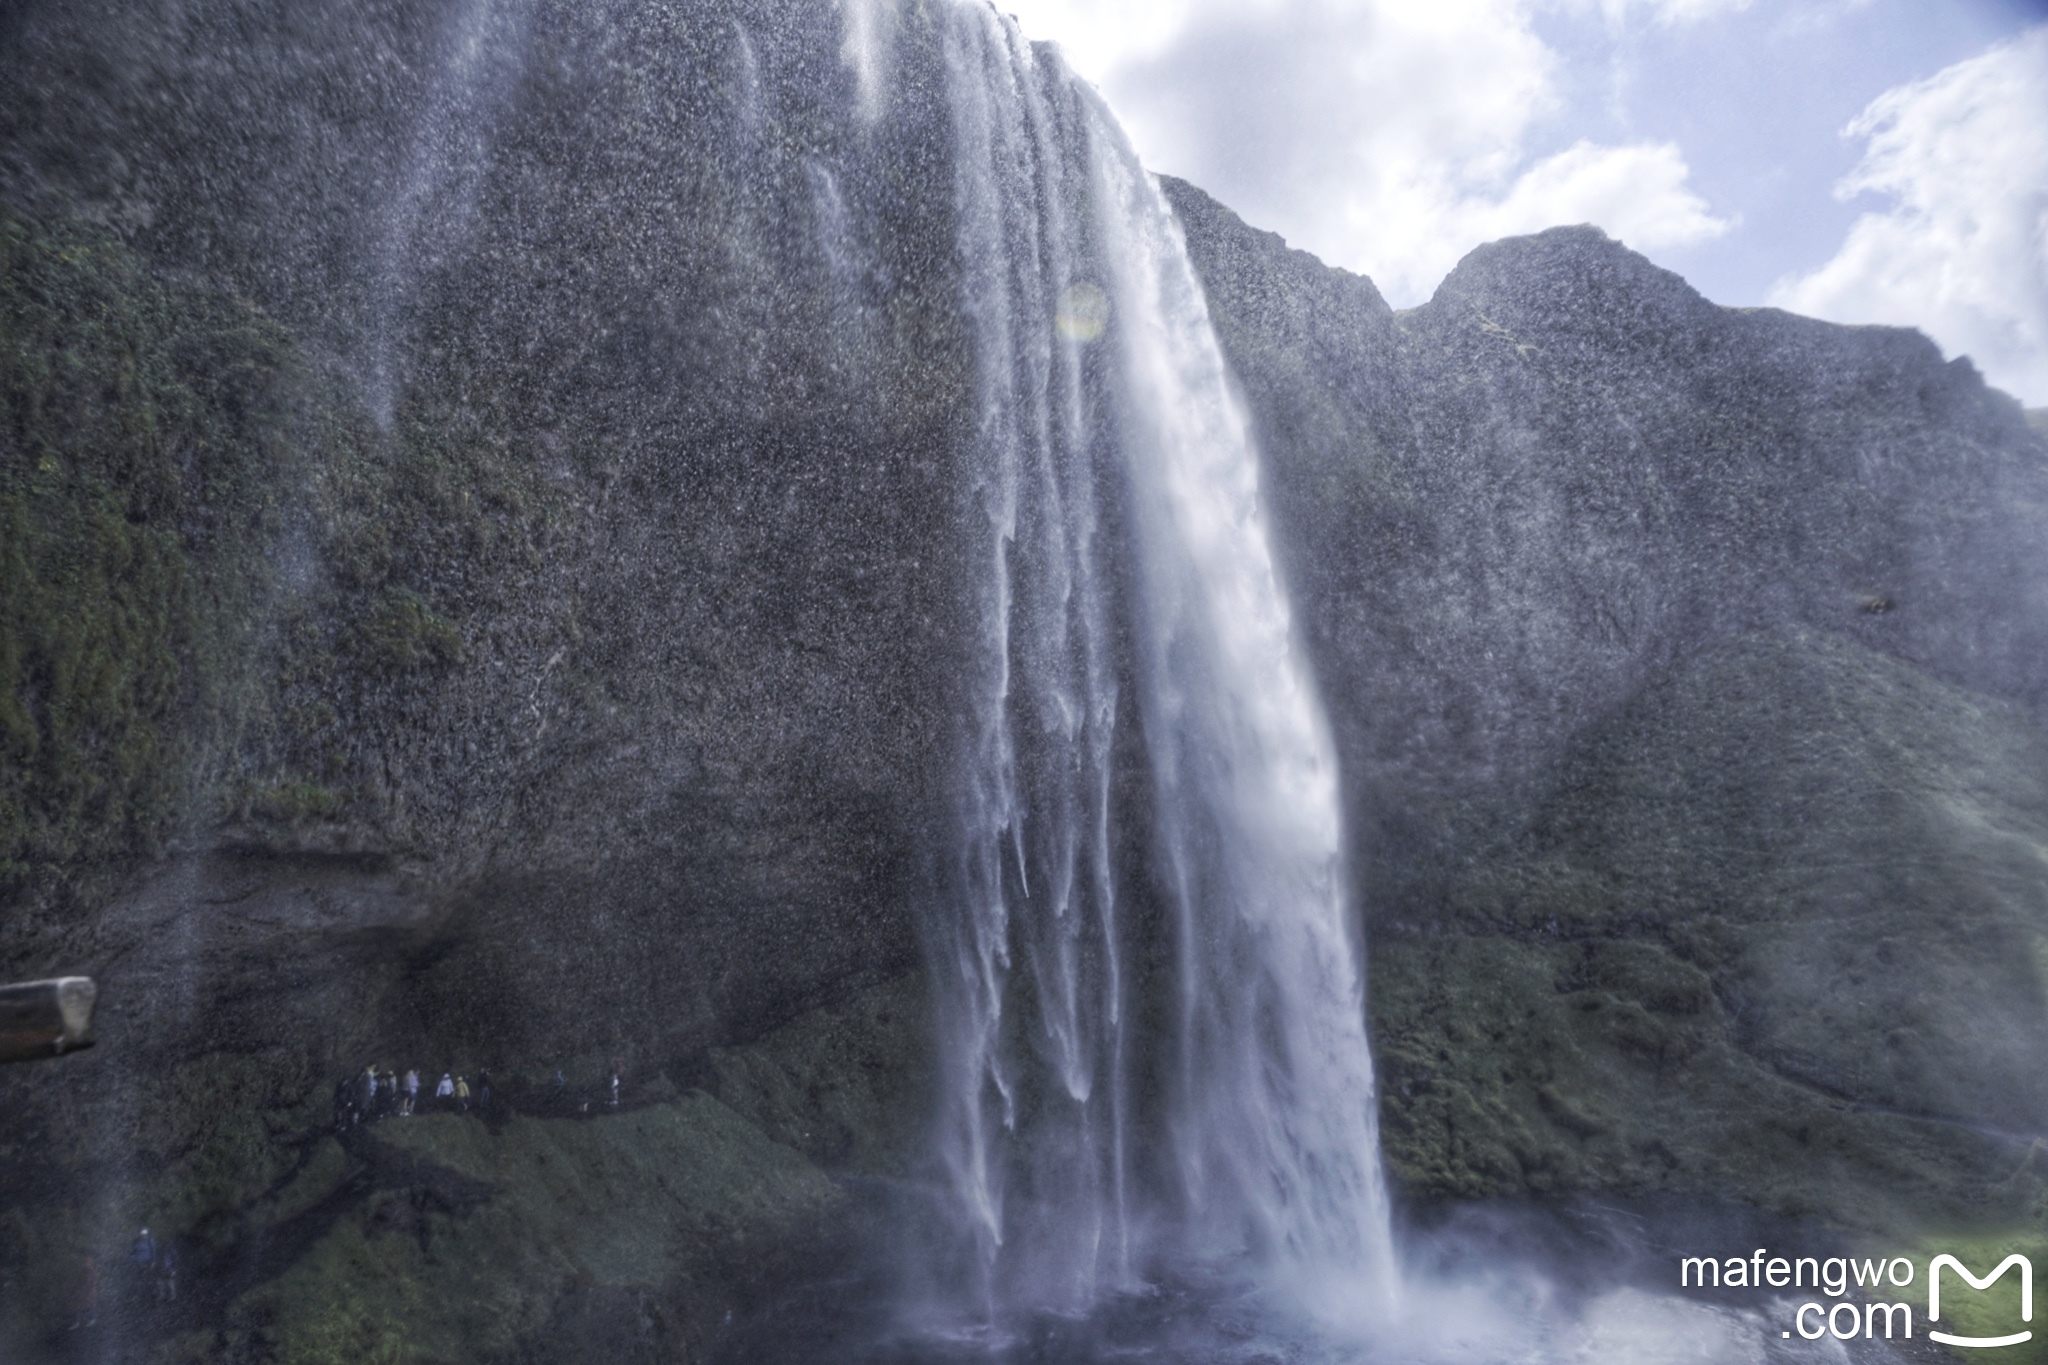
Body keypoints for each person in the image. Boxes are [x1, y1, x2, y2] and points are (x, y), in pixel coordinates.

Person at [69, 1253, 98, 1330]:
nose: (85, 1263)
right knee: (80, 1305)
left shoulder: (92, 1271)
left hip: (88, 1291)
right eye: (85, 1261)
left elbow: (91, 1282)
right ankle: (78, 1321)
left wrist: (89, 1289)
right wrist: (76, 1289)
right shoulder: (84, 1271)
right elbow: (79, 1281)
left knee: (89, 1304)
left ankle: (91, 1319)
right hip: (83, 1291)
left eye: (87, 1261)